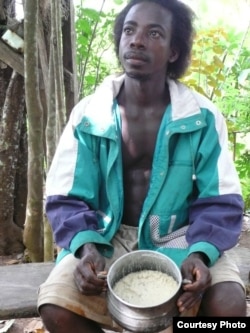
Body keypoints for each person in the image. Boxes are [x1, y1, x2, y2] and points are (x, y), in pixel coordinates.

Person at [38, 0, 246, 332]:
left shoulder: (201, 117)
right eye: (130, 30)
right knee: (56, 307)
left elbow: (220, 199)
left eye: (154, 33)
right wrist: (86, 246)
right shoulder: (90, 115)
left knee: (230, 307)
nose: (136, 40)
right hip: (106, 236)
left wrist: (202, 253)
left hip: (182, 234)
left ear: (174, 51)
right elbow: (65, 197)